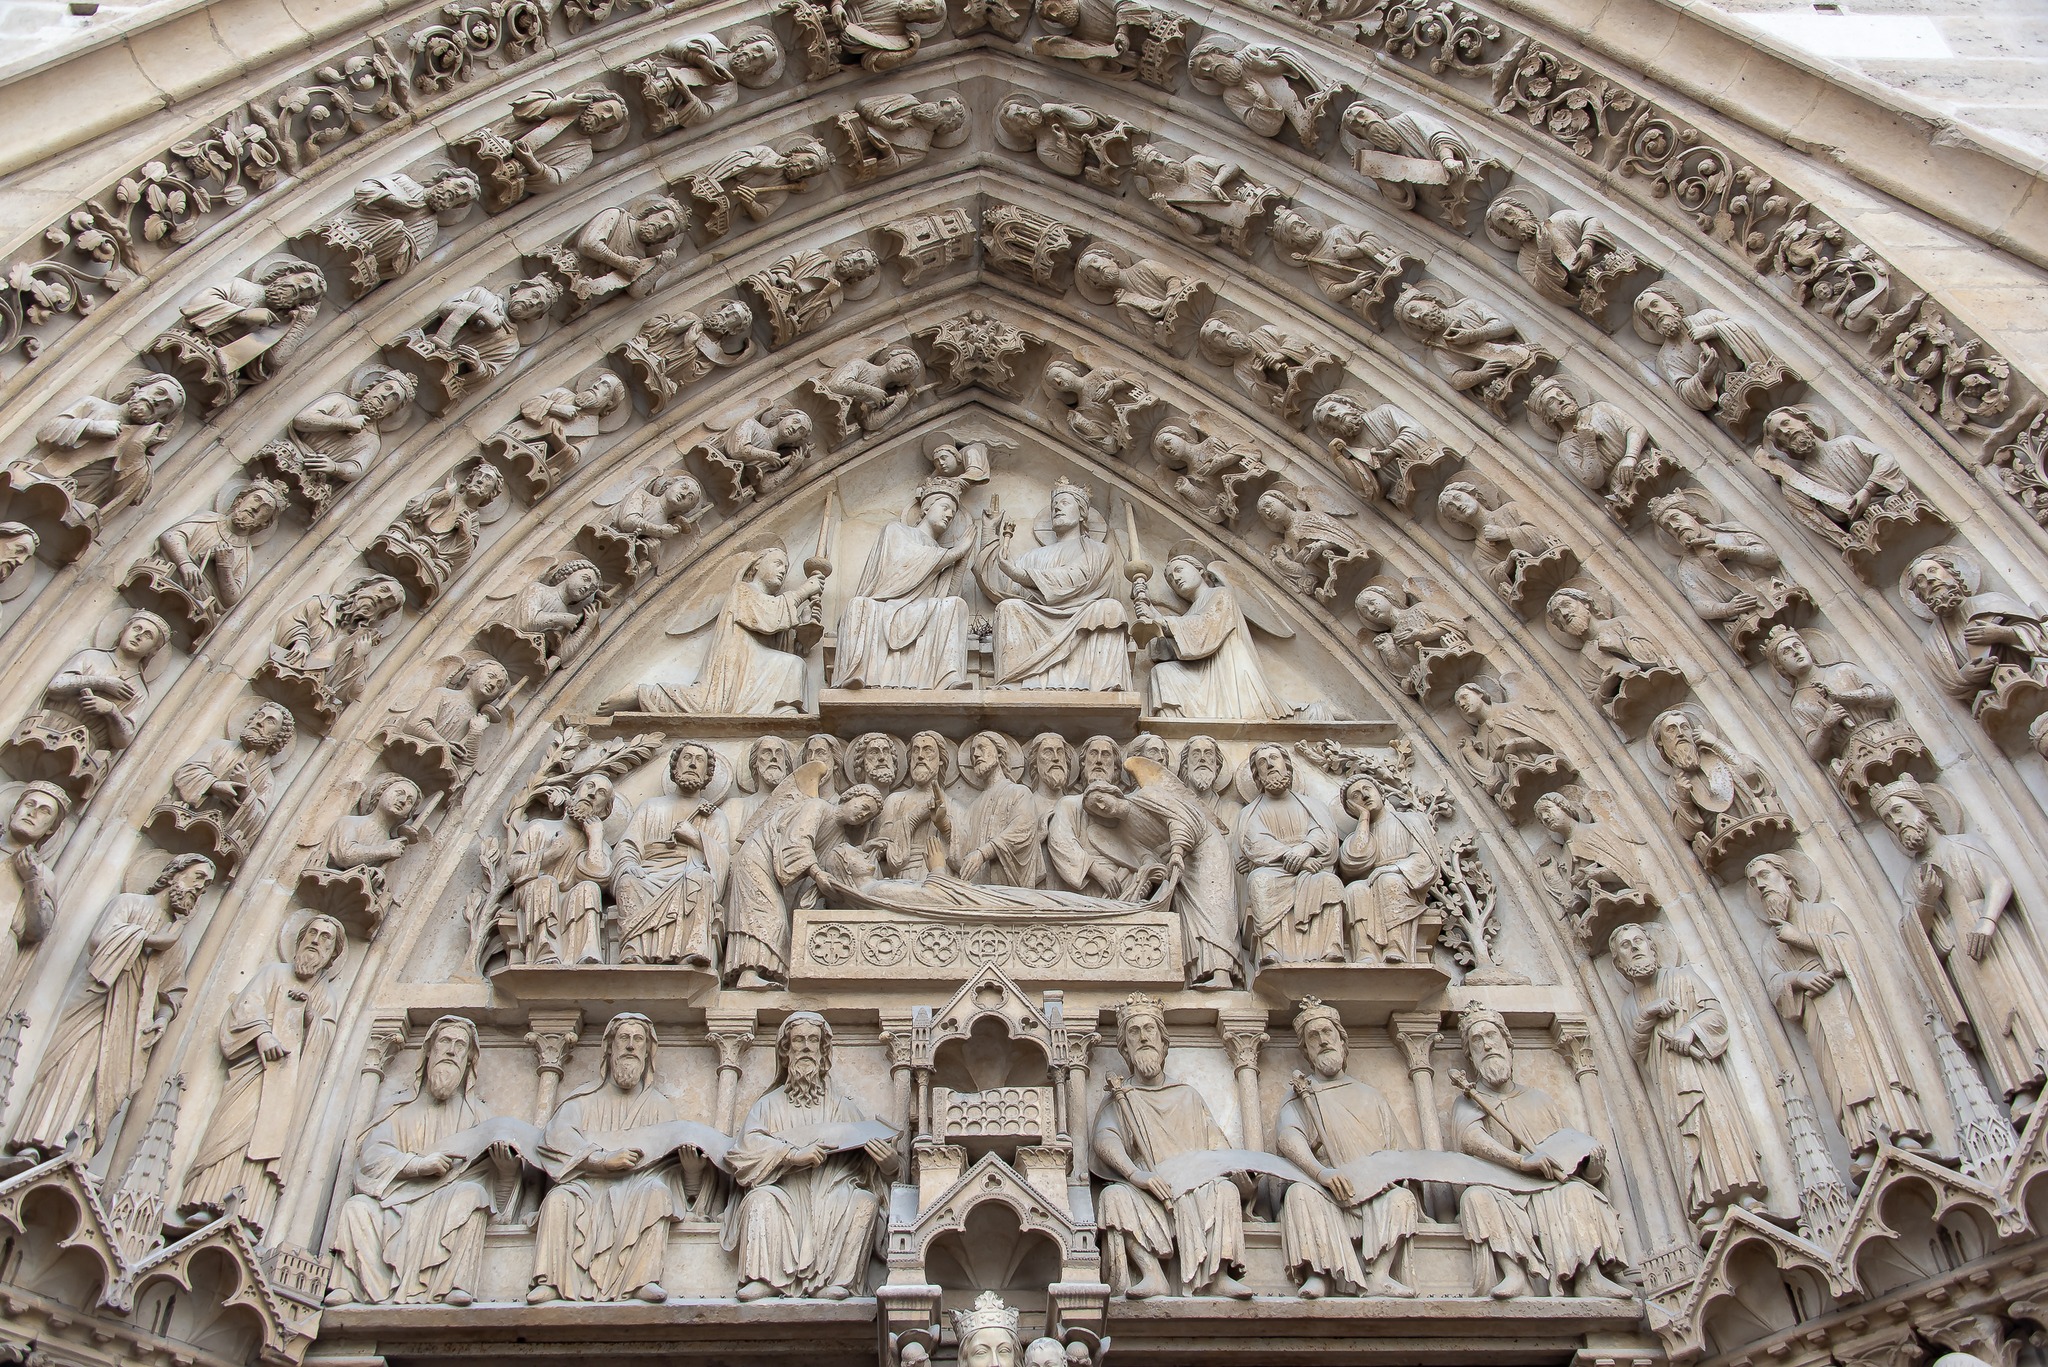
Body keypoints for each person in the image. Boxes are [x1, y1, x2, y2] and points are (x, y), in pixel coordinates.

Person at [725, 1014, 897, 1299]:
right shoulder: (767, 1106)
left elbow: (868, 1164)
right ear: (786, 1051)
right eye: (798, 1040)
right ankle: (764, 1277)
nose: (806, 1047)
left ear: (823, 1051)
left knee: (864, 1201)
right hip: (785, 1194)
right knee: (759, 1200)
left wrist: (888, 1164)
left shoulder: (843, 1108)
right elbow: (746, 1150)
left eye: (813, 1040)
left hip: (832, 1196)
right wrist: (792, 1155)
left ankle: (838, 1281)